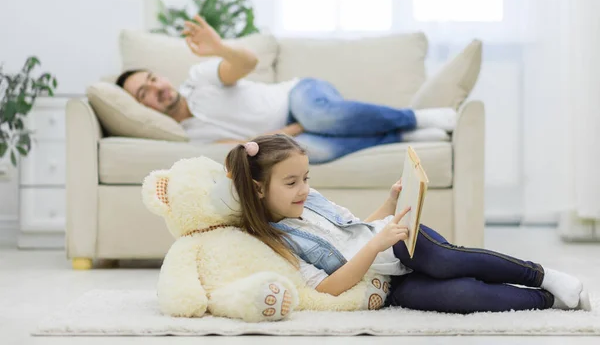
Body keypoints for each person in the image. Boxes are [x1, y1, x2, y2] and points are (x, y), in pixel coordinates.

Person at [224, 134, 592, 313]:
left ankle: (540, 275)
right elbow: (328, 288)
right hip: (387, 281)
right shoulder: (275, 241)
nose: (304, 189)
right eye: (291, 183)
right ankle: (547, 301)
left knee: (445, 260)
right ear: (257, 190)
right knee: (461, 296)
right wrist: (375, 246)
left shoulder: (311, 200)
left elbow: (356, 230)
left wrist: (388, 205)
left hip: (400, 242)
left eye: (306, 178)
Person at [117, 14, 458, 164]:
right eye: (142, 94)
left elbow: (246, 64)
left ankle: (414, 118)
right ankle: (398, 137)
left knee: (320, 114)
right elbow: (247, 146)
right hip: (287, 132)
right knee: (310, 153)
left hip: (300, 96)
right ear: (142, 108)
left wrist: (220, 48)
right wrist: (294, 132)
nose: (155, 89)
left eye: (151, 80)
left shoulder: (199, 78)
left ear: (160, 76)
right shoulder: (191, 136)